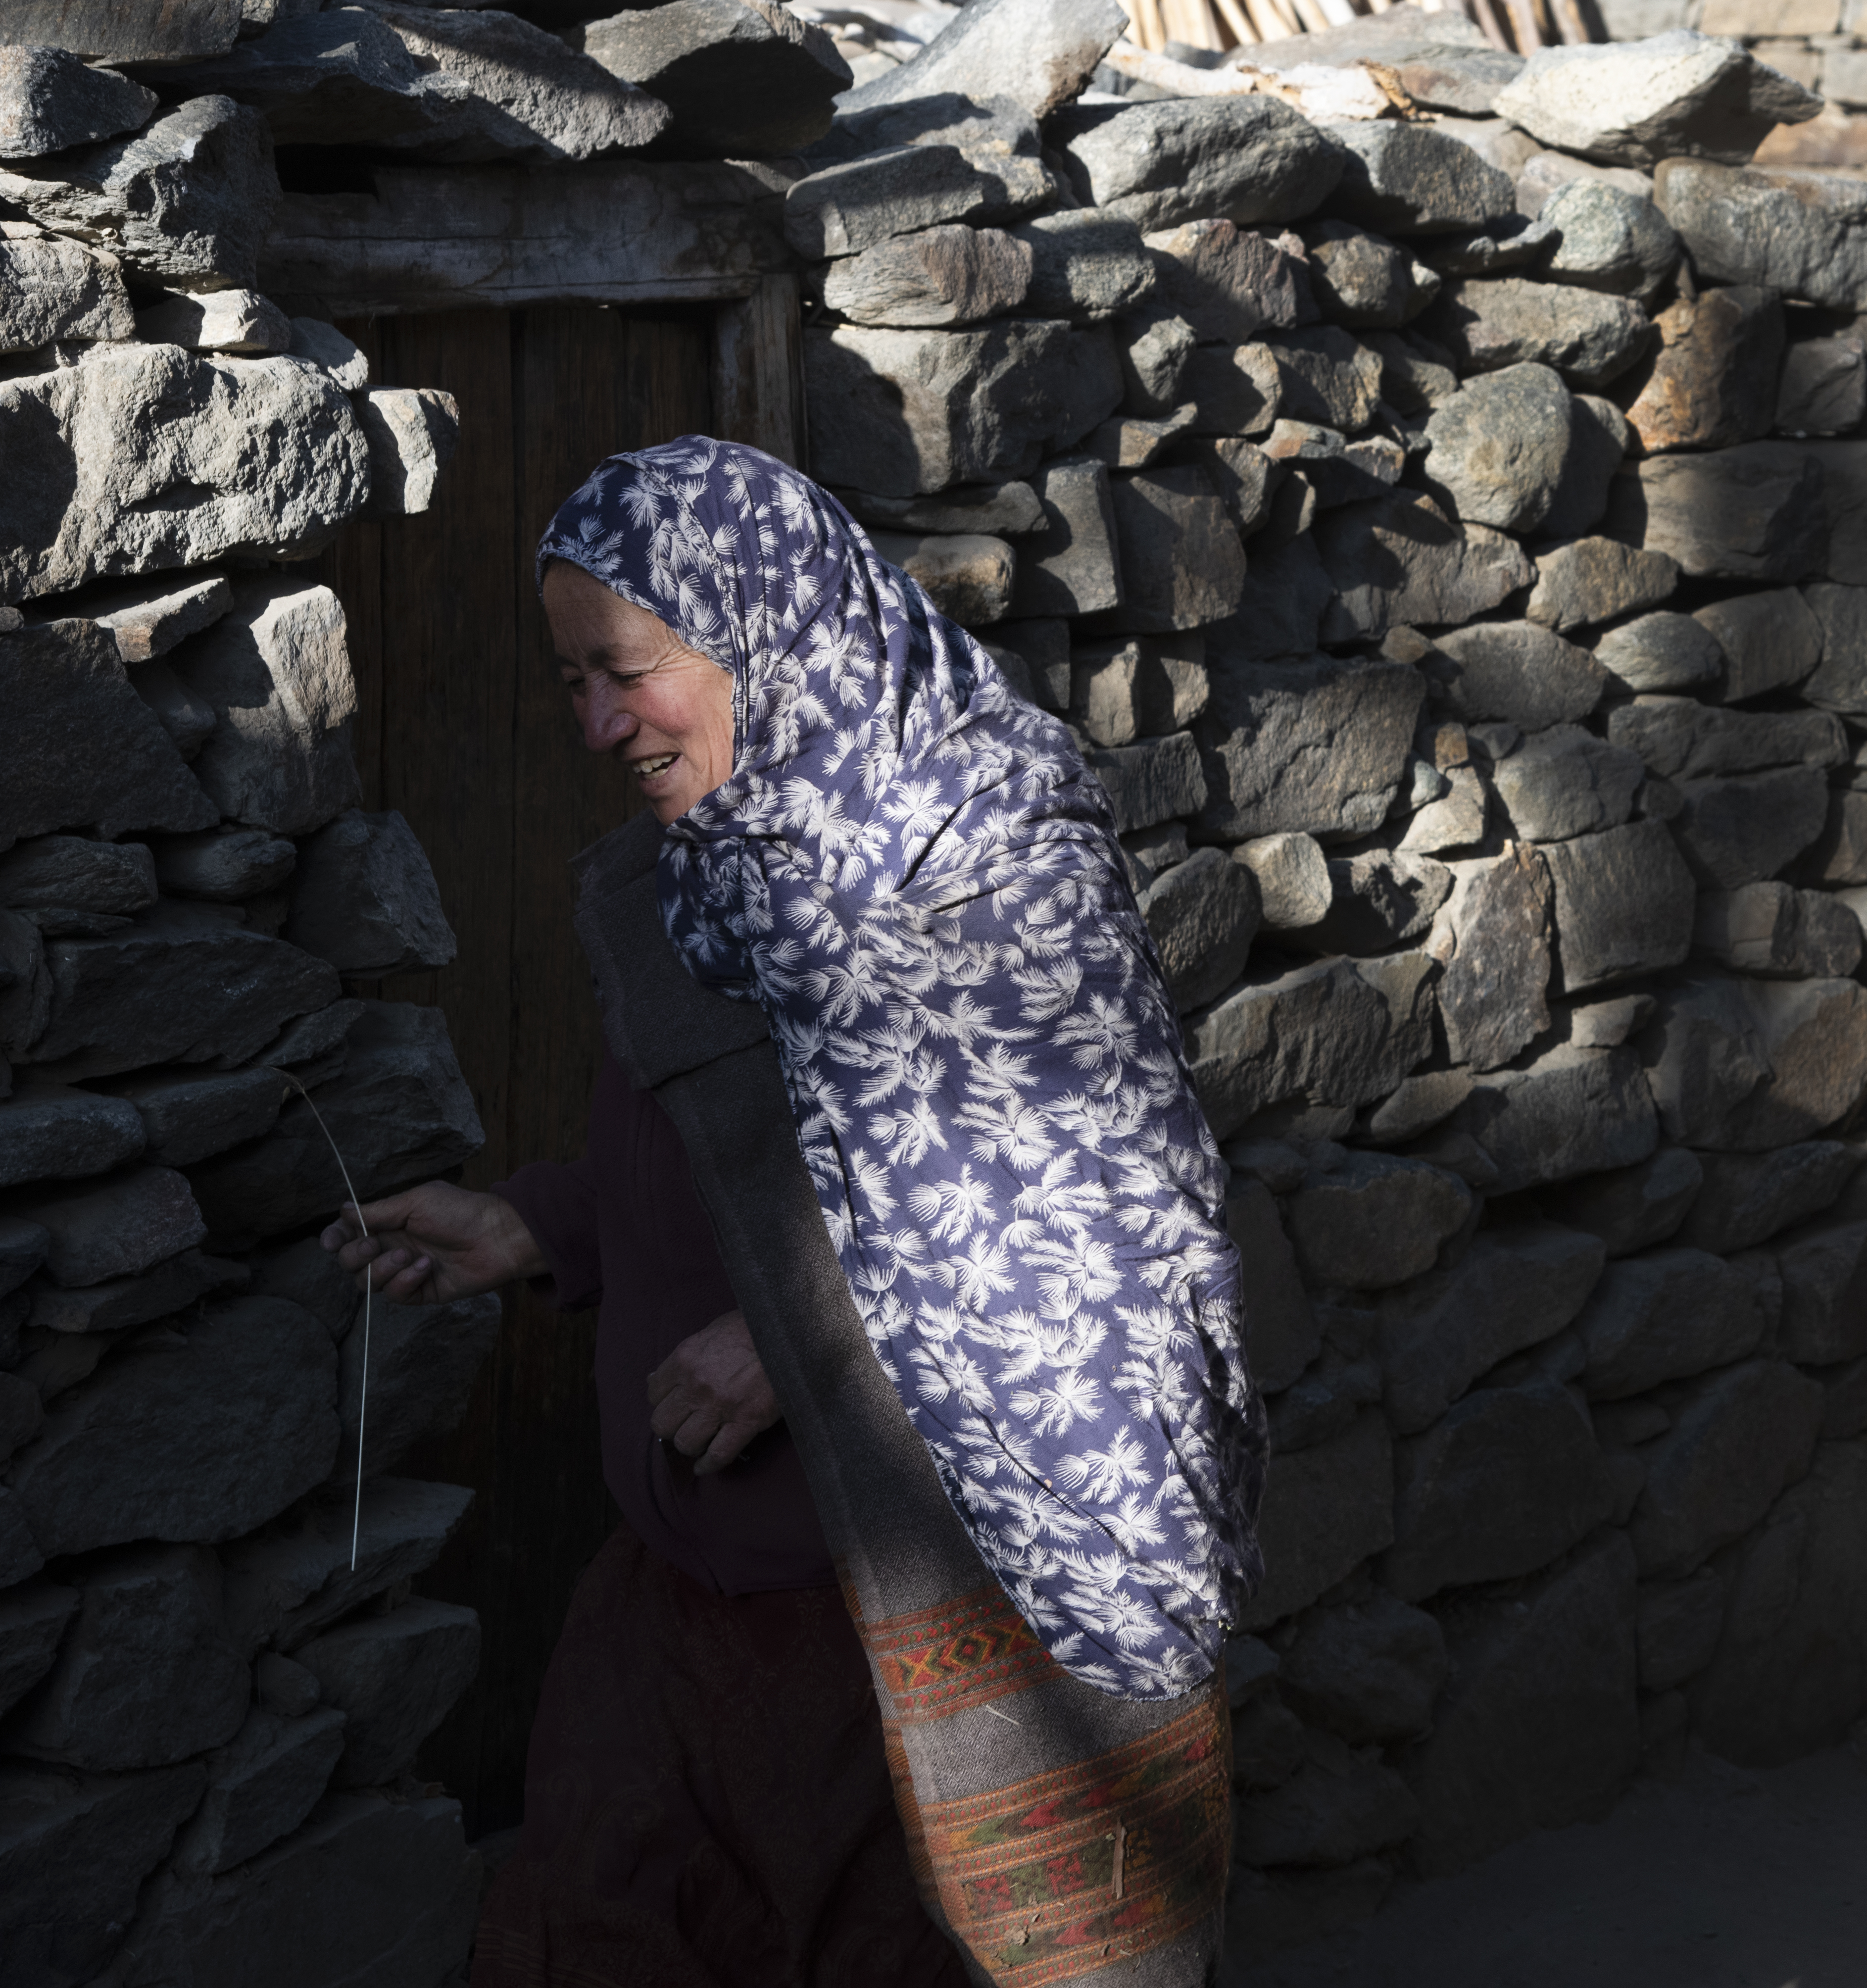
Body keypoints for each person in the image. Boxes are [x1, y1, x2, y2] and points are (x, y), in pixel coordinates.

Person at [328, 436, 1264, 1987]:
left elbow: (1085, 1229)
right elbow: (713, 1171)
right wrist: (538, 1229)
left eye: (625, 668)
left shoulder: (982, 857)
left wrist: (797, 1342)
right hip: (677, 1616)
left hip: (914, 1626)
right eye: (572, 683)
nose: (598, 722)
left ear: (763, 623)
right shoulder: (684, 884)